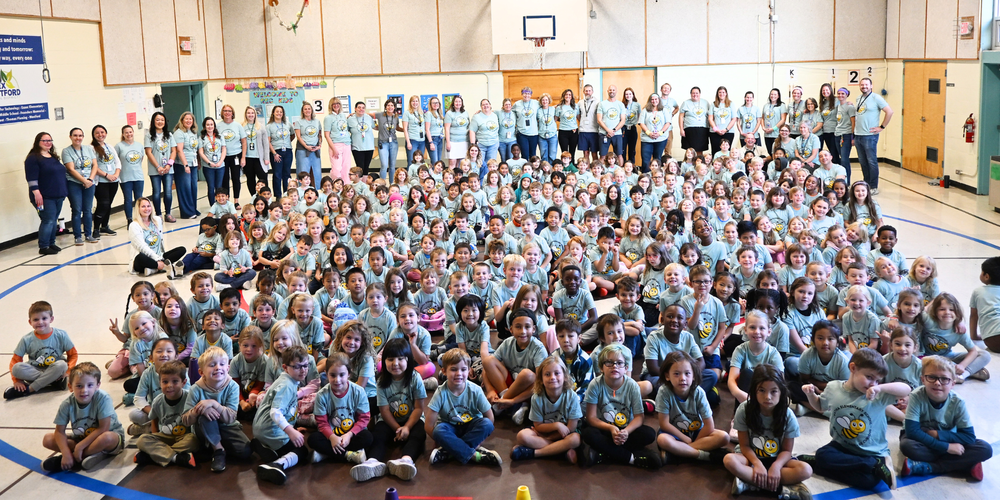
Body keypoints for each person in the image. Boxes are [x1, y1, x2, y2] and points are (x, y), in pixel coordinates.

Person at [801, 348, 912, 490]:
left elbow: (906, 389)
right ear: (853, 368)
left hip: (872, 452)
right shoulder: (833, 387)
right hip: (841, 446)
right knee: (824, 455)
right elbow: (820, 407)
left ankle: (818, 463)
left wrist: (880, 388)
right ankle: (872, 465)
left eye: (877, 380)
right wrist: (810, 395)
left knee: (870, 481)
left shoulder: (878, 394)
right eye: (869, 377)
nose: (873, 384)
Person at [724, 364, 812, 499]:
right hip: (750, 458)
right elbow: (744, 446)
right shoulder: (744, 409)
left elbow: (786, 451)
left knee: (806, 470)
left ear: (781, 391)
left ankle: (749, 483)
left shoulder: (788, 415)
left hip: (776, 458)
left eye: (773, 391)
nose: (767, 397)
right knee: (729, 460)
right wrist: (757, 463)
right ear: (754, 391)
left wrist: (776, 466)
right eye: (762, 390)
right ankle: (781, 489)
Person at [899, 355, 993, 481]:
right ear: (923, 379)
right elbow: (912, 432)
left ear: (953, 383)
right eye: (931, 377)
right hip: (921, 439)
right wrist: (946, 448)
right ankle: (964, 465)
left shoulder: (958, 402)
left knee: (985, 449)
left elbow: (969, 437)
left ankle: (929, 467)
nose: (937, 383)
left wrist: (937, 434)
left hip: (945, 438)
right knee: (908, 446)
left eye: (944, 379)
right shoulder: (916, 396)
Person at [581, 343, 660, 469]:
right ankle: (631, 458)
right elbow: (591, 418)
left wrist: (626, 432)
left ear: (626, 368)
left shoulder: (632, 386)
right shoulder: (595, 385)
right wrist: (611, 428)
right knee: (588, 433)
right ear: (601, 367)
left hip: (626, 429)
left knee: (649, 434)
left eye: (619, 363)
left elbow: (639, 417)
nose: (614, 366)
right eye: (609, 362)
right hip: (605, 429)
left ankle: (604, 453)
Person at [41, 362, 125, 472]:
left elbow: (103, 428)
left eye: (90, 385)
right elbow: (59, 431)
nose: (84, 390)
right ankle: (82, 455)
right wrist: (66, 452)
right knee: (48, 439)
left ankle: (74, 458)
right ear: (70, 387)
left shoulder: (103, 398)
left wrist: (80, 447)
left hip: (109, 437)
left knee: (106, 438)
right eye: (79, 386)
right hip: (82, 438)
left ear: (97, 385)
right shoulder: (67, 404)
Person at [424, 348, 502, 466]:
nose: (459, 373)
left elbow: (490, 418)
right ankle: (474, 455)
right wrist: (440, 439)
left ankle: (450, 451)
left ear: (469, 370)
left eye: (463, 369)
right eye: (453, 369)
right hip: (450, 429)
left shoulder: (475, 390)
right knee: (439, 430)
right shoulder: (440, 393)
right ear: (444, 371)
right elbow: (428, 425)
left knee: (487, 424)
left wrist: (450, 444)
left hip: (471, 427)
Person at [182, 346, 252, 472]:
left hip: (227, 427)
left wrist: (214, 404)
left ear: (228, 368)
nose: (218, 367)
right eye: (212, 365)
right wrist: (199, 409)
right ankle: (218, 450)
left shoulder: (233, 386)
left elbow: (230, 418)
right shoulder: (195, 389)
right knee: (205, 415)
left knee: (245, 451)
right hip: (204, 428)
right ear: (201, 372)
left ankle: (211, 448)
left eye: (222, 364)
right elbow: (185, 420)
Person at [252, 346, 311, 485]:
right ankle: (277, 465)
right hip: (270, 430)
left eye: (305, 365)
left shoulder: (287, 380)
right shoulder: (287, 385)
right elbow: (276, 412)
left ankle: (263, 447)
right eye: (297, 366)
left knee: (291, 446)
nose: (303, 370)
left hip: (263, 428)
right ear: (285, 367)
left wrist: (292, 428)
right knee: (302, 451)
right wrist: (290, 431)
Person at [4, 301, 77, 400]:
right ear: (30, 322)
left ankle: (29, 389)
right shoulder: (26, 339)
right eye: (36, 319)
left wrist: (68, 371)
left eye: (44, 318)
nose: (40, 322)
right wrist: (17, 381)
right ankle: (53, 381)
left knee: (62, 365)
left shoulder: (61, 335)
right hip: (36, 370)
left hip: (56, 368)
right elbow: (15, 360)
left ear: (51, 319)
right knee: (16, 368)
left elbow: (73, 355)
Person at [24, 132, 68, 255]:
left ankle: (51, 243)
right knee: (48, 220)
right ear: (38, 142)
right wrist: (36, 193)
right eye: (44, 140)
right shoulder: (33, 158)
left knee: (53, 220)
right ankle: (43, 246)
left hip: (58, 194)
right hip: (44, 197)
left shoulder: (52, 156)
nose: (48, 143)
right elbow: (31, 178)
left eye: (50, 140)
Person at [853, 78, 893, 193]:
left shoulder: (876, 98)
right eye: (862, 85)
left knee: (871, 161)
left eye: (866, 85)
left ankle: (873, 186)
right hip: (858, 134)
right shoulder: (859, 98)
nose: (864, 86)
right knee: (863, 161)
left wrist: (882, 127)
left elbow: (889, 112)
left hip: (869, 135)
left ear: (871, 86)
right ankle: (866, 184)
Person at [129, 197, 186, 277]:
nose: (147, 209)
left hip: (159, 256)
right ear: (138, 209)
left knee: (181, 249)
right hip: (145, 258)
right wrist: (157, 259)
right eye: (143, 206)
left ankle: (154, 269)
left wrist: (159, 258)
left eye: (148, 206)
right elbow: (142, 247)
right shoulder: (134, 225)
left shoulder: (157, 220)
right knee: (140, 258)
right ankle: (162, 266)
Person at [62, 127, 99, 245]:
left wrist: (90, 179)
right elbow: (71, 169)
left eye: (80, 135)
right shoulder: (66, 151)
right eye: (75, 135)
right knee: (77, 209)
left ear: (83, 137)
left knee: (88, 209)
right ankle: (77, 236)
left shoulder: (88, 149)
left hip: (89, 182)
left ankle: (88, 234)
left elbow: (95, 165)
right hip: (74, 183)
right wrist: (84, 180)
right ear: (70, 137)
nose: (78, 138)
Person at [89, 125, 122, 235]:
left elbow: (117, 162)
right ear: (93, 135)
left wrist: (116, 174)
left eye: (102, 132)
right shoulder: (91, 148)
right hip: (101, 181)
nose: (100, 135)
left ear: (106, 133)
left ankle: (105, 226)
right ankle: (96, 228)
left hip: (113, 181)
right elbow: (93, 166)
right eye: (97, 133)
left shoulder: (110, 147)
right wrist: (106, 175)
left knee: (109, 204)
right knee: (103, 204)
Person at [216, 105, 247, 210]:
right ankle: (227, 201)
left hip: (236, 155)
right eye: (225, 111)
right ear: (222, 113)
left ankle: (236, 201)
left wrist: (243, 157)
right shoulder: (218, 126)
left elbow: (244, 142)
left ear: (232, 113)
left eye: (229, 111)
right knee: (225, 179)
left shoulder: (238, 126)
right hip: (223, 156)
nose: (227, 113)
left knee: (236, 178)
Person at [173, 112, 201, 220]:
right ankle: (187, 212)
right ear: (182, 120)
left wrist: (197, 162)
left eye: (191, 119)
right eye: (186, 119)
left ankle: (193, 208)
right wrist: (185, 165)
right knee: (185, 188)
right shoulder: (179, 133)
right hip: (183, 164)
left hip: (193, 163)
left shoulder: (193, 132)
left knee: (193, 187)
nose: (189, 121)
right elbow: (179, 150)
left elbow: (195, 149)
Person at [971, 256, 1000, 353]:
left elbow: (974, 315)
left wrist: (974, 336)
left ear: (986, 276)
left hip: (992, 341)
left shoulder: (978, 292)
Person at [243, 106, 271, 197]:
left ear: (255, 114)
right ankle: (254, 197)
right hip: (247, 157)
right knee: (250, 179)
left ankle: (265, 196)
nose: (250, 115)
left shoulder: (261, 127)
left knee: (263, 178)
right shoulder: (242, 126)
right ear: (245, 114)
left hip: (259, 158)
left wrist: (266, 158)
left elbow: (266, 144)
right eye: (248, 113)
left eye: (252, 113)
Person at [293, 101, 323, 185]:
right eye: (305, 109)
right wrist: (306, 146)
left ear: (311, 110)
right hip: (303, 150)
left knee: (317, 172)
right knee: (303, 172)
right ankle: (302, 190)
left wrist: (319, 145)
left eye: (309, 109)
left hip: (315, 149)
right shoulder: (299, 122)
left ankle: (317, 190)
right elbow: (298, 137)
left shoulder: (317, 121)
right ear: (302, 111)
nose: (307, 111)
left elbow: (320, 135)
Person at [267, 105, 294, 192]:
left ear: (283, 113)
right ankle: (278, 195)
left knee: (287, 173)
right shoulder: (269, 126)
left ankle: (287, 193)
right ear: (273, 113)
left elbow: (292, 135)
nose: (279, 113)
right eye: (277, 111)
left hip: (287, 151)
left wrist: (286, 142)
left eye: (281, 112)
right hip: (276, 152)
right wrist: (274, 153)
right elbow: (268, 141)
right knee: (277, 174)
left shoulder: (287, 124)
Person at [596, 85, 626, 165]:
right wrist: (608, 130)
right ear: (607, 91)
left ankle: (620, 171)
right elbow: (599, 120)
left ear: (616, 91)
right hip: (604, 133)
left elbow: (623, 120)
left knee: (619, 155)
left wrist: (614, 130)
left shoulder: (620, 104)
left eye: (613, 90)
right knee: (603, 155)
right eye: (610, 90)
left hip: (617, 134)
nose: (612, 91)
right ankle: (601, 171)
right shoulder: (602, 104)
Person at [638, 93, 669, 169]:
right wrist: (649, 133)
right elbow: (641, 123)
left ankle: (657, 174)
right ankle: (645, 174)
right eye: (652, 99)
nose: (654, 101)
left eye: (656, 99)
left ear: (659, 100)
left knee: (657, 159)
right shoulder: (645, 110)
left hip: (660, 139)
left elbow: (668, 123)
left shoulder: (664, 110)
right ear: (650, 101)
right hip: (647, 139)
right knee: (645, 160)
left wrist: (660, 133)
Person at [374, 99, 402, 180]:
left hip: (393, 142)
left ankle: (391, 183)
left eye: (392, 105)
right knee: (384, 165)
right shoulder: (380, 115)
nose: (390, 107)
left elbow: (397, 128)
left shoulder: (395, 117)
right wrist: (354, 114)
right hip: (383, 143)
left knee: (392, 166)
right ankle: (382, 183)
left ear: (394, 107)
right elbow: (367, 115)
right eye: (388, 105)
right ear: (385, 107)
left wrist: (406, 130)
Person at [834, 87, 857, 183]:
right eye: (839, 93)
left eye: (843, 94)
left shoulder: (850, 107)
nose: (840, 95)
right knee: (840, 157)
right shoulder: (838, 106)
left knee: (844, 159)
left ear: (847, 95)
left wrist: (853, 137)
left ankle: (847, 182)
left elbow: (853, 122)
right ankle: (841, 179)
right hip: (837, 134)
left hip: (846, 135)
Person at [679, 86, 710, 154]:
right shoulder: (686, 103)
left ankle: (699, 161)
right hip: (689, 129)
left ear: (700, 94)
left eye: (697, 93)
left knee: (700, 149)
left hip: (702, 129)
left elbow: (709, 116)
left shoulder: (705, 103)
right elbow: (681, 117)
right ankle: (690, 161)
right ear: (690, 94)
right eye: (693, 93)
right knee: (690, 151)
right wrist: (681, 129)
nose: (695, 95)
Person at [348, 101, 375, 175]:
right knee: (360, 167)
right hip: (357, 147)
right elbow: (346, 130)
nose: (361, 109)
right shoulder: (350, 119)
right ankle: (359, 181)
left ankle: (364, 182)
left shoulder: (368, 118)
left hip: (369, 146)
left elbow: (374, 126)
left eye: (363, 108)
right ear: (355, 109)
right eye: (359, 107)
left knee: (366, 168)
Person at [469, 98, 500, 165]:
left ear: (490, 105)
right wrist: (473, 145)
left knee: (491, 164)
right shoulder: (476, 117)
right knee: (480, 164)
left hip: (493, 144)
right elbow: (472, 131)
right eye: (483, 105)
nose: (485, 106)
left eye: (487, 104)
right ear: (481, 107)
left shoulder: (495, 115)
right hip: (481, 145)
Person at [708, 86, 737, 156]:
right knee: (715, 152)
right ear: (717, 94)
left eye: (723, 92)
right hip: (715, 133)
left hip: (728, 132)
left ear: (726, 93)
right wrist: (716, 129)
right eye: (720, 92)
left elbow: (734, 119)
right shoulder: (713, 104)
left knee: (726, 152)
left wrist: (726, 129)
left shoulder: (731, 104)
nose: (721, 94)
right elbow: (710, 118)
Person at [444, 95, 471, 169]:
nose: (458, 103)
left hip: (464, 141)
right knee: (452, 162)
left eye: (459, 101)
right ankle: (451, 176)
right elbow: (447, 128)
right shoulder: (449, 113)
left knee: (461, 162)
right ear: (453, 103)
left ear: (462, 103)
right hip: (453, 141)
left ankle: (458, 176)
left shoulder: (465, 113)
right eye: (456, 101)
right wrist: (448, 142)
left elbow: (469, 125)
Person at [577, 84, 600, 164]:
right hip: (583, 131)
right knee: (585, 153)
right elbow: (578, 115)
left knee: (594, 153)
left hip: (594, 131)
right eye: (586, 91)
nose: (588, 92)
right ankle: (586, 169)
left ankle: (596, 168)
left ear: (592, 92)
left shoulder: (597, 102)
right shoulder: (580, 103)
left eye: (589, 91)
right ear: (583, 92)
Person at [401, 95, 426, 165]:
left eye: (416, 101)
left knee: (420, 162)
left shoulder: (421, 113)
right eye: (413, 101)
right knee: (412, 161)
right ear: (410, 103)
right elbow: (405, 129)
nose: (415, 103)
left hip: (422, 140)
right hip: (412, 140)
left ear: (419, 102)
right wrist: (408, 142)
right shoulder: (407, 113)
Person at [555, 89, 580, 160]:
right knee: (564, 152)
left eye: (569, 95)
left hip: (573, 131)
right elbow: (555, 119)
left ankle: (572, 165)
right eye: (566, 94)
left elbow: (579, 118)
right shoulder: (559, 107)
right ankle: (564, 165)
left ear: (571, 97)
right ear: (563, 96)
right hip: (563, 131)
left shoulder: (576, 106)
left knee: (572, 152)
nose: (568, 96)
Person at [659, 82, 681, 157]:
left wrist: (672, 114)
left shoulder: (672, 100)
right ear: (661, 90)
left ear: (670, 91)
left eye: (668, 88)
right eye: (664, 88)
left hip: (669, 128)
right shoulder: (657, 100)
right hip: (658, 128)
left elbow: (677, 107)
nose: (666, 90)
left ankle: (667, 163)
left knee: (668, 150)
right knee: (658, 150)